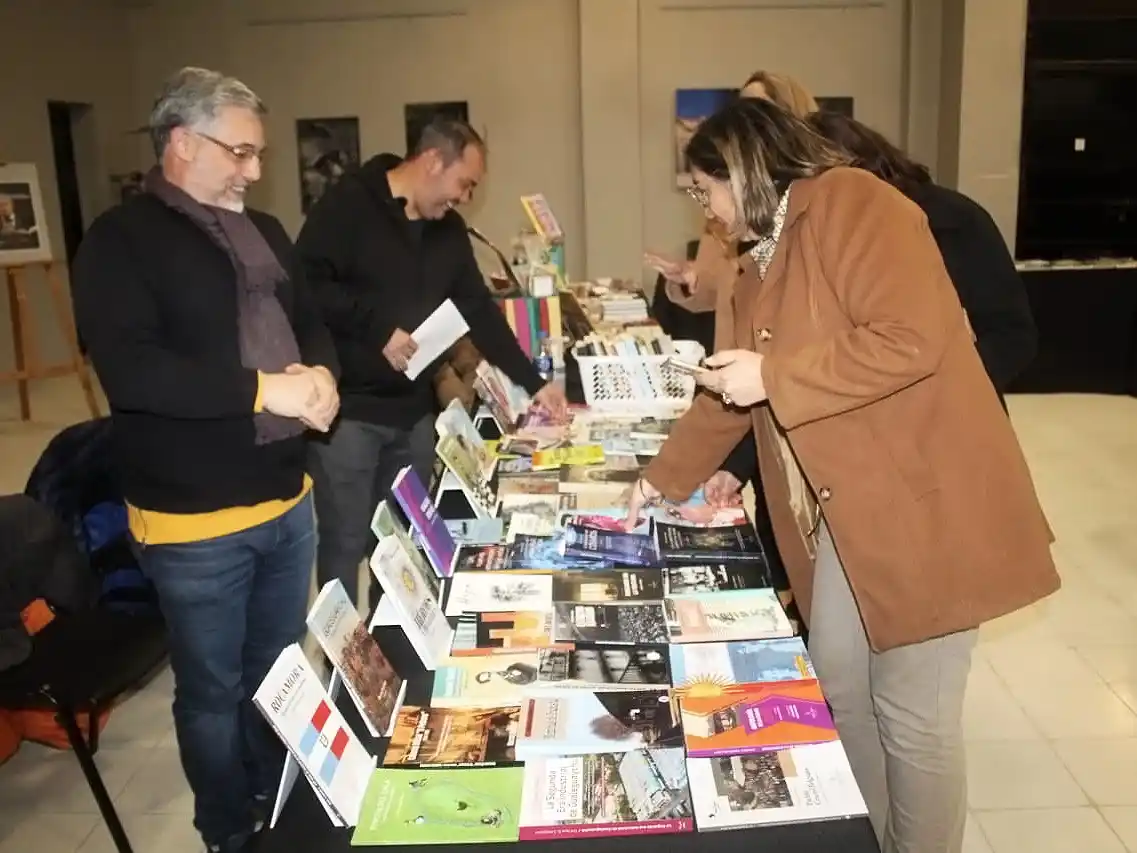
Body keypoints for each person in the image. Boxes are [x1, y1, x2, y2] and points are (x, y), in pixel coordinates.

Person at [624, 97, 1060, 853]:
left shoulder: (855, 203)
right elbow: (733, 386)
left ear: (748, 171)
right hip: (846, 515)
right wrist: (659, 480)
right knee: (840, 693)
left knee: (911, 714)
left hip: (925, 504)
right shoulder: (759, 260)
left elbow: (911, 338)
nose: (706, 212)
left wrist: (775, 373)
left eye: (705, 191)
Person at [72, 67, 340, 853]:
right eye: (241, 152)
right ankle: (227, 829)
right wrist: (268, 390)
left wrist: (319, 374)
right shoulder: (120, 242)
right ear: (183, 144)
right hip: (192, 522)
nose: (255, 171)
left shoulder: (268, 232)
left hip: (286, 504)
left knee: (277, 676)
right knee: (212, 694)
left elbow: (310, 323)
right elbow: (136, 373)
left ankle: (275, 805)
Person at [296, 117, 567, 604]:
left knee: (400, 542)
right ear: (432, 161)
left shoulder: (448, 232)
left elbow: (479, 311)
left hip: (413, 413)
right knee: (345, 541)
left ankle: (391, 652)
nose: (464, 197)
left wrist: (534, 382)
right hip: (349, 415)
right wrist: (376, 327)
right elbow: (306, 286)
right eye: (464, 184)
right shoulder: (348, 205)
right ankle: (341, 671)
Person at [706, 110, 1039, 504]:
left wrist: (923, 393)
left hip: (943, 441)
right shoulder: (798, 239)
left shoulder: (953, 221)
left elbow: (1011, 335)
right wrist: (738, 466)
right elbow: (781, 368)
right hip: (844, 448)